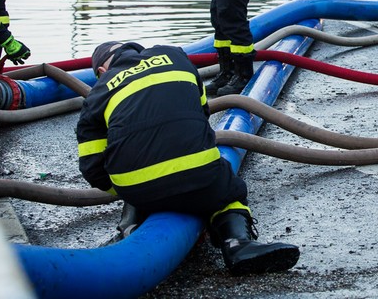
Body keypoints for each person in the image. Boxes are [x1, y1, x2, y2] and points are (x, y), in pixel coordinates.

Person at [76, 41, 300, 275]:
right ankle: (237, 244)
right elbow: (202, 115)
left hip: (137, 190)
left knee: (131, 176)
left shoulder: (98, 93)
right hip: (200, 178)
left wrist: (133, 187)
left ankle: (132, 227)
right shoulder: (174, 56)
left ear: (101, 72)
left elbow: (93, 169)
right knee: (229, 189)